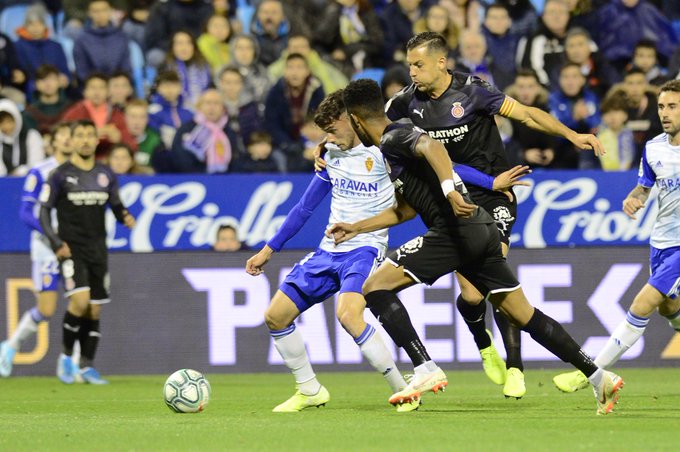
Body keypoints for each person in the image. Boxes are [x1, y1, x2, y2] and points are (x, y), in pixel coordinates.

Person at [329, 78, 623, 415]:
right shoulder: (393, 145)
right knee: (523, 314)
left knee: (374, 286)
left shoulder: (396, 136)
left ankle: (425, 368)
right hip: (480, 230)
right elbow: (405, 209)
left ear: (355, 120)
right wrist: (356, 227)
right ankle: (599, 377)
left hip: (455, 232)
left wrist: (450, 190)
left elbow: (434, 148)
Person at [385, 32, 597, 398]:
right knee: (470, 294)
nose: (412, 72)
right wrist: (328, 149)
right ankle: (483, 341)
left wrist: (572, 135)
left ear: (441, 62)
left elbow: (528, 114)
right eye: (409, 66)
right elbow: (368, 125)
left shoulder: (474, 91)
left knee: (497, 277)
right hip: (454, 201)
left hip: (495, 194)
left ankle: (515, 367)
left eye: (418, 64)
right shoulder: (405, 103)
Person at [245, 90, 419, 413]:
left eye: (332, 130)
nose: (327, 138)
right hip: (329, 250)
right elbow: (304, 208)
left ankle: (403, 389)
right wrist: (269, 250)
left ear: (351, 120)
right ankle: (309, 389)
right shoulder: (330, 154)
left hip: (366, 249)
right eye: (323, 133)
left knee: (348, 315)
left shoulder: (385, 150)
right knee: (275, 316)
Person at [553, 79, 680, 393]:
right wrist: (634, 197)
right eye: (662, 106)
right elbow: (645, 187)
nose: (665, 113)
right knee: (667, 306)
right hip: (661, 242)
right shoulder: (653, 148)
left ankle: (592, 371)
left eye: (673, 107)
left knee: (644, 302)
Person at [38, 119, 135, 384]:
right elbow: (43, 210)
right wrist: (56, 242)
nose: (84, 140)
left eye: (89, 135)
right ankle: (66, 357)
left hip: (98, 250)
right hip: (71, 249)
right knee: (79, 302)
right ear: (71, 139)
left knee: (94, 309)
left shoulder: (105, 174)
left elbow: (116, 205)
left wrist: (125, 216)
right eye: (79, 135)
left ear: (96, 140)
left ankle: (87, 366)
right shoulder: (59, 175)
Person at [0, 123, 72, 377]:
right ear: (52, 142)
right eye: (61, 134)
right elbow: (25, 213)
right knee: (47, 309)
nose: (66, 139)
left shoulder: (81, 172)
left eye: (69, 135)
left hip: (75, 247)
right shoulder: (40, 171)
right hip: (47, 248)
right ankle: (10, 346)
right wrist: (53, 237)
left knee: (80, 303)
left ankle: (70, 361)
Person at [72, 0, 131, 85]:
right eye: (96, 11)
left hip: (117, 88)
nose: (100, 14)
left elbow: (126, 68)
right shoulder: (81, 40)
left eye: (104, 10)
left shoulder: (121, 37)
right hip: (92, 87)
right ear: (89, 13)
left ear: (111, 11)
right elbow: (82, 72)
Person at [0, 98, 45, 177]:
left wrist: (22, 171)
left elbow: (37, 166)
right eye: (1, 122)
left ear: (17, 119)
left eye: (9, 121)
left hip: (29, 183)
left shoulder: (31, 136)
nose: (6, 126)